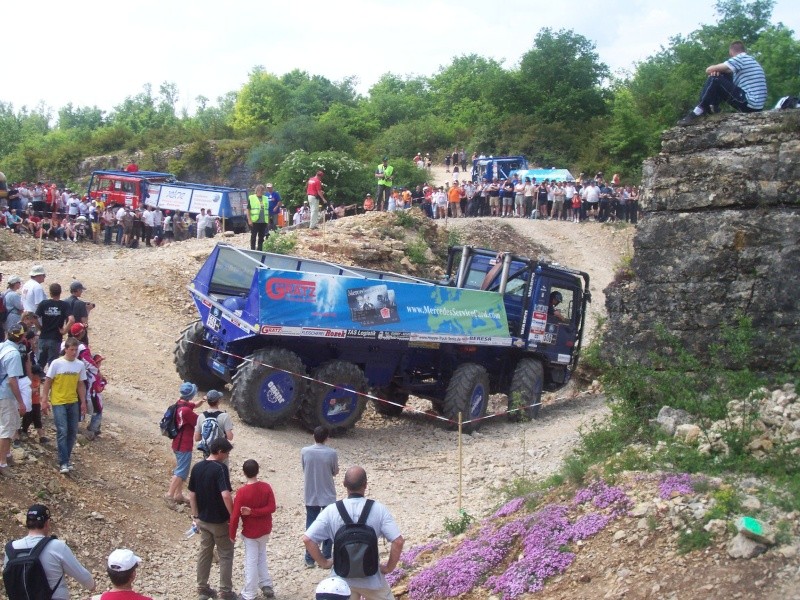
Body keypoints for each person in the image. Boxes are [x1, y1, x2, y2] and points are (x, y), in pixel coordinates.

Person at [304, 466, 404, 600]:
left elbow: (308, 539)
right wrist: (389, 568)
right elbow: (398, 541)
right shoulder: (379, 509)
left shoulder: (331, 510)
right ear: (366, 485)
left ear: (344, 484)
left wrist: (324, 563)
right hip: (372, 579)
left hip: (341, 580)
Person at [3, 504, 96, 599]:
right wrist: (92, 586)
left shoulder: (10, 549)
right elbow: (82, 576)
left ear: (27, 523)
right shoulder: (56, 546)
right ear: (47, 523)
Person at [188, 437, 236, 600]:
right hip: (219, 520)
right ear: (220, 452)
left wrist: (195, 516)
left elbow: (192, 494)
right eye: (227, 453)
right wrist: (233, 515)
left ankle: (202, 588)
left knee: (205, 552)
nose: (227, 456)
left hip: (203, 518)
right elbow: (226, 495)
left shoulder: (197, 467)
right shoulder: (220, 468)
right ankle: (225, 591)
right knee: (226, 553)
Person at [678, 40, 767, 126]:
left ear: (731, 52)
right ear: (744, 50)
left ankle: (699, 111)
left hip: (749, 103)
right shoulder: (750, 60)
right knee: (722, 75)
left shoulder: (741, 58)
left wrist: (716, 73)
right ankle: (713, 107)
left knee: (715, 78)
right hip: (756, 106)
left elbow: (709, 70)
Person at [228, 459, 276, 599]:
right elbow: (271, 508)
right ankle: (266, 584)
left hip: (250, 532)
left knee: (251, 561)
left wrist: (232, 534)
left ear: (244, 473)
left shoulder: (242, 492)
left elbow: (235, 516)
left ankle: (249, 592)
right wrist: (256, 512)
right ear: (258, 471)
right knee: (261, 556)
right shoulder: (266, 487)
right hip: (265, 529)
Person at [41, 336, 86, 474]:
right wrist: (44, 400)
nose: (74, 352)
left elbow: (80, 384)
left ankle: (66, 458)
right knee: (62, 430)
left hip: (73, 401)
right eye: (71, 349)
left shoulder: (80, 365)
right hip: (58, 401)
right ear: (66, 349)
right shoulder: (56, 363)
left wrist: (83, 402)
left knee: (72, 432)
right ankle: (63, 461)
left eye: (76, 349)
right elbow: (48, 381)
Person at [301, 426, 339, 568]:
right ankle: (326, 554)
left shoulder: (305, 451)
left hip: (311, 492)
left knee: (311, 524)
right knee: (329, 524)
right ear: (327, 438)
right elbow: (335, 471)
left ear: (313, 436)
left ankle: (309, 558)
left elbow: (304, 468)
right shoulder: (331, 453)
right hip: (327, 493)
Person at [165, 382, 205, 508]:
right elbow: (198, 421)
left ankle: (178, 494)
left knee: (181, 468)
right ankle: (169, 495)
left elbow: (193, 405)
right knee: (181, 472)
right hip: (184, 445)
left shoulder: (180, 404)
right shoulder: (186, 411)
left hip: (177, 442)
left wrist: (202, 401)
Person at [0, 328, 26, 476]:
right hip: (6, 394)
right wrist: (21, 402)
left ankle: (8, 455)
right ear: (21, 337)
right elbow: (12, 380)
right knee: (6, 428)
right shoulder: (14, 354)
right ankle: (2, 462)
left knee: (10, 424)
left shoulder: (2, 347)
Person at [35, 283, 74, 368]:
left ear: (50, 292)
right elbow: (71, 319)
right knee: (53, 364)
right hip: (55, 338)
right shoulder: (64, 305)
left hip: (43, 337)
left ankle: (37, 380)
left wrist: (39, 327)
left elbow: (34, 318)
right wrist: (64, 331)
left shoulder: (43, 304)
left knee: (40, 363)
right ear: (60, 292)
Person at [194, 389, 234, 460]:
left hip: (207, 451)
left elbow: (197, 438)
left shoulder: (201, 416)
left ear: (207, 402)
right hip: (221, 453)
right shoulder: (224, 416)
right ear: (218, 401)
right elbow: (230, 437)